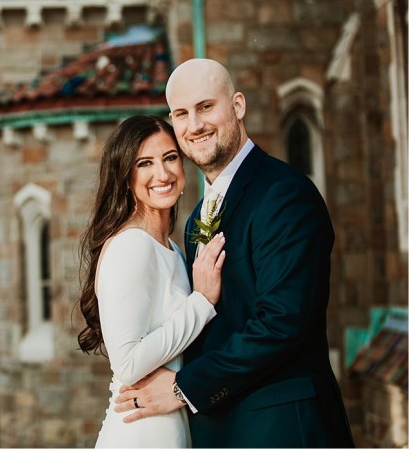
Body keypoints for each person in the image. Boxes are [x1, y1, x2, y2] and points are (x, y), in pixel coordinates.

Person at [113, 58, 355, 448]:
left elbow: (282, 321)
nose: (195, 125)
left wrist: (181, 388)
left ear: (237, 106)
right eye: (181, 114)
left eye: (206, 107)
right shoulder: (194, 221)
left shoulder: (283, 194)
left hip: (280, 429)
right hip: (218, 431)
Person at [78, 114, 226, 447]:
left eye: (170, 158)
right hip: (140, 433)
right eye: (145, 163)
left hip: (171, 426)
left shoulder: (172, 248)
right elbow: (128, 363)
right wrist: (201, 303)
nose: (162, 174)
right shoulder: (132, 245)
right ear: (125, 176)